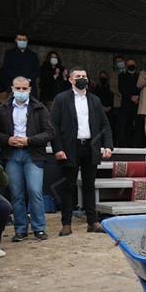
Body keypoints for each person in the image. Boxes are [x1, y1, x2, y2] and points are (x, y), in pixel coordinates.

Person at [50, 66, 113, 236]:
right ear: (71, 79)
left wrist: (108, 145)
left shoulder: (95, 100)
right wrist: (58, 149)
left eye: (84, 76)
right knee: (68, 186)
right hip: (70, 148)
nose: (82, 78)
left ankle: (92, 222)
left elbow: (104, 124)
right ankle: (66, 223)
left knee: (89, 186)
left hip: (90, 147)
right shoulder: (61, 99)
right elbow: (53, 125)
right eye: (78, 76)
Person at [0, 76, 55, 242]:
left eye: (24, 89)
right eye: (17, 88)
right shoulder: (3, 108)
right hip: (11, 154)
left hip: (33, 154)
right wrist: (7, 139)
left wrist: (29, 140)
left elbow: (50, 132)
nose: (21, 91)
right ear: (12, 89)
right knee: (16, 193)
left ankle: (39, 228)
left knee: (35, 191)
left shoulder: (39, 108)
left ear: (30, 89)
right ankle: (20, 229)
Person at [117, 58, 140, 147]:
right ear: (127, 66)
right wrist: (130, 97)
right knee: (125, 125)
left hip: (137, 104)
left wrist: (137, 96)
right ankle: (125, 144)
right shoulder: (122, 76)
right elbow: (121, 88)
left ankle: (137, 144)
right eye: (129, 65)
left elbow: (141, 88)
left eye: (132, 64)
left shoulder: (139, 76)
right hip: (126, 104)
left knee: (137, 125)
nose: (131, 66)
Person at [107, 55, 126, 145]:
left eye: (121, 61)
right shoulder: (114, 74)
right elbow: (112, 87)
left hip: (128, 103)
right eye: (118, 62)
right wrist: (121, 93)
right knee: (118, 124)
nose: (120, 63)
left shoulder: (127, 72)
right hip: (118, 102)